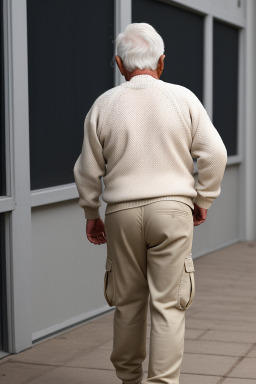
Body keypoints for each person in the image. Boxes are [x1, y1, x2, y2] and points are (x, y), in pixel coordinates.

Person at [73, 23, 227, 384]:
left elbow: (86, 169)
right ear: (161, 61)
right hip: (173, 211)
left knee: (127, 303)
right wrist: (203, 197)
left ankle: (129, 380)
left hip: (121, 214)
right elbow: (215, 154)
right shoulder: (183, 98)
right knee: (169, 306)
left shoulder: (105, 104)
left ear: (119, 63)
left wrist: (91, 213)